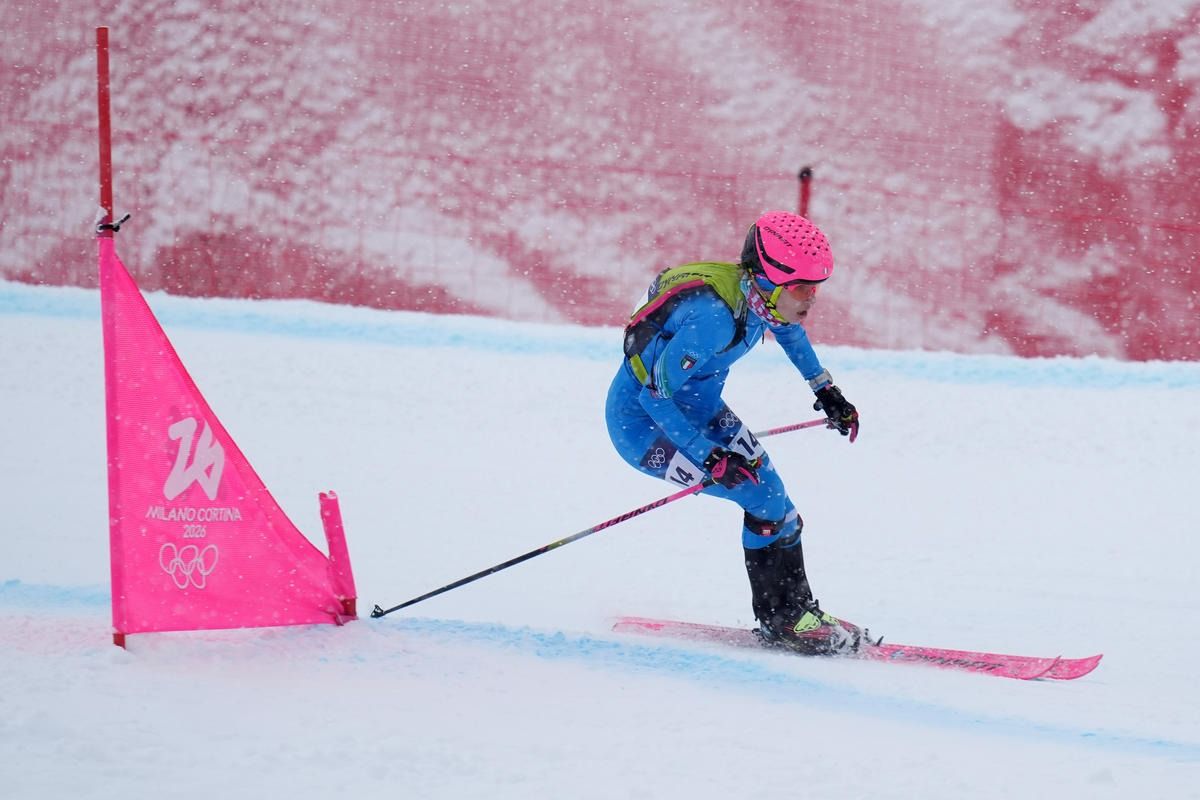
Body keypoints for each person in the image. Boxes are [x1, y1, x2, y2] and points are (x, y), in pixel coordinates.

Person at [605, 211, 863, 655]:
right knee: (761, 499)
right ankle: (780, 621)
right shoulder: (713, 319)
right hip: (646, 426)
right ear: (769, 281)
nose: (811, 299)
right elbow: (654, 398)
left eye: (816, 288)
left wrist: (826, 391)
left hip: (700, 410)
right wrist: (710, 456)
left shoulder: (761, 297)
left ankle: (800, 611)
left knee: (779, 501)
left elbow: (791, 335)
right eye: (803, 289)